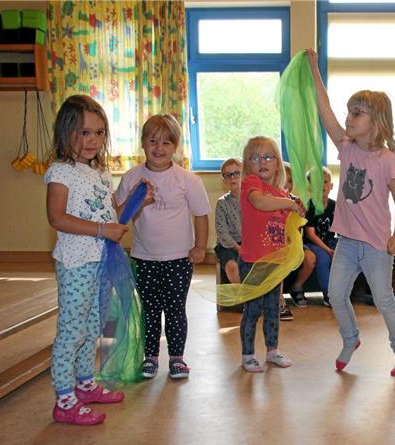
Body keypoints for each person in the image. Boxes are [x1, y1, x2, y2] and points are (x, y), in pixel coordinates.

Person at [45, 95, 153, 425]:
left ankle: (85, 384)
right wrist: (103, 228)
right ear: (66, 133)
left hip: (101, 261)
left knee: (92, 327)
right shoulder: (61, 171)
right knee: (71, 331)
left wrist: (138, 202)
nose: (93, 140)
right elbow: (57, 218)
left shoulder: (101, 174)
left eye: (100, 133)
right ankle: (64, 399)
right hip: (76, 262)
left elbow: (113, 220)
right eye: (84, 132)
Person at [307, 49, 395, 376]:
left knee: (384, 300)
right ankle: (350, 338)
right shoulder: (346, 147)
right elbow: (325, 113)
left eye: (358, 112)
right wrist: (313, 67)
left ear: (376, 121)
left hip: (377, 245)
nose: (349, 118)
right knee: (337, 295)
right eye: (349, 112)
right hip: (347, 242)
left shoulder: (386, 159)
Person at [116, 114, 211, 381]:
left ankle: (177, 359)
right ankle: (150, 357)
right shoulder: (132, 177)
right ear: (143, 143)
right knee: (150, 308)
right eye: (153, 141)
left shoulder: (187, 180)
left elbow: (201, 215)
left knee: (175, 308)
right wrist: (139, 201)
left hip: (179, 258)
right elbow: (120, 215)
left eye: (166, 143)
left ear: (176, 147)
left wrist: (200, 247)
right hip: (144, 257)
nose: (159, 148)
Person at [238, 136, 307, 372]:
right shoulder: (250, 184)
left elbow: (292, 225)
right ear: (248, 164)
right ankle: (248, 354)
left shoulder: (283, 195)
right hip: (253, 261)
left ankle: (272, 350)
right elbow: (259, 203)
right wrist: (287, 204)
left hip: (276, 262)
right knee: (252, 309)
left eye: (268, 157)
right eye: (255, 158)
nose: (262, 161)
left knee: (272, 309)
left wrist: (297, 208)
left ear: (278, 163)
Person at [282, 161, 316, 309]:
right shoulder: (268, 200)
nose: (286, 184)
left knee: (310, 259)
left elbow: (301, 224)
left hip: (295, 241)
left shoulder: (296, 201)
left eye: (290, 181)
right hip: (276, 242)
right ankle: (277, 297)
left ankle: (297, 287)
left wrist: (300, 209)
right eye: (283, 180)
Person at [303, 167, 337, 307]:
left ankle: (347, 291)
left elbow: (340, 228)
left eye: (325, 182)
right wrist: (329, 251)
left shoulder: (334, 205)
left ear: (331, 186)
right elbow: (310, 234)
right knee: (322, 258)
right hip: (312, 243)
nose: (321, 186)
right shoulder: (310, 206)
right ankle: (328, 293)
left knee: (348, 253)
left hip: (329, 240)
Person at [215, 157, 243, 285]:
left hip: (250, 243)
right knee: (232, 266)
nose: (233, 178)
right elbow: (222, 233)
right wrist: (238, 248)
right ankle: (244, 297)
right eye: (228, 175)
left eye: (237, 173)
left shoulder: (254, 199)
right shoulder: (222, 203)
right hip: (228, 245)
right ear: (224, 181)